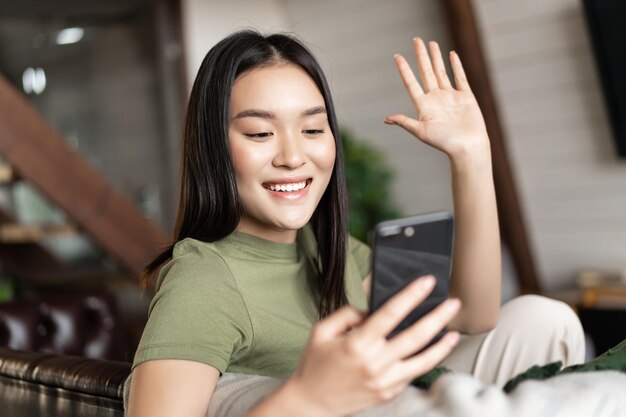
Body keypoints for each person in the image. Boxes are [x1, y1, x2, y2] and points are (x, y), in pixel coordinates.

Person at [126, 30, 585, 417]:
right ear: (214, 148)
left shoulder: (326, 245)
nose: (292, 156)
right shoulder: (203, 279)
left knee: (542, 318)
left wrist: (471, 155)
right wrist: (310, 396)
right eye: (260, 133)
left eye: (312, 129)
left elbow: (472, 315)